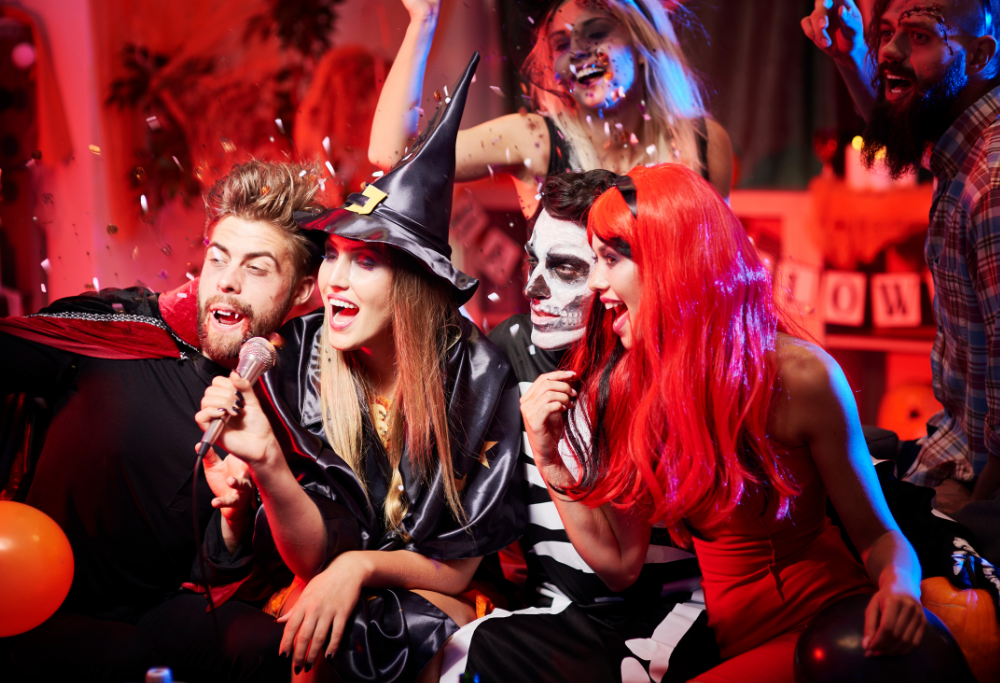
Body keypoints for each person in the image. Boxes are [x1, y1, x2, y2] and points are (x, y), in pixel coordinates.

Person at [521, 164, 927, 682]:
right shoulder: (634, 382)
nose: (597, 282)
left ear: (670, 262)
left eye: (611, 258)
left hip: (827, 629)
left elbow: (877, 537)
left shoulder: (799, 375)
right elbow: (620, 563)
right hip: (734, 648)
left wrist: (900, 589)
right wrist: (549, 455)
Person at [206, 53, 524, 683]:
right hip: (323, 580)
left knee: (385, 633)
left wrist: (359, 569)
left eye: (367, 261)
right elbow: (314, 553)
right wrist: (268, 468)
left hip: (441, 594)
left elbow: (458, 568)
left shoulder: (478, 374)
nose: (336, 280)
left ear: (413, 282)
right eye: (334, 255)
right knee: (309, 638)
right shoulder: (297, 360)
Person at [0, 161, 366, 682]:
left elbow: (217, 572)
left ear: (304, 288)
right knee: (124, 656)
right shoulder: (120, 328)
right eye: (218, 259)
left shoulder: (287, 404)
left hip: (156, 607)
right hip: (35, 599)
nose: (229, 282)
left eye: (257, 269)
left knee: (271, 647)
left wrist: (235, 520)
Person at [433, 170, 717, 683]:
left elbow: (621, 569)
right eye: (533, 260)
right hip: (551, 613)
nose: (535, 285)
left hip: (653, 623)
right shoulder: (507, 350)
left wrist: (550, 454)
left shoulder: (641, 367)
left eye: (565, 267)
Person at [802, 0, 1000, 525]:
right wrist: (847, 59)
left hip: (975, 482)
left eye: (917, 37)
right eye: (887, 33)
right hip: (949, 450)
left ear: (981, 55)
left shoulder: (994, 181)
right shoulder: (967, 141)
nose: (887, 51)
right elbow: (898, 132)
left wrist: (970, 529)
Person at [369, 0, 734, 219]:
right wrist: (424, 19)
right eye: (562, 43)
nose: (577, 51)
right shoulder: (537, 140)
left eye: (595, 33)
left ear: (641, 40)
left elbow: (719, 271)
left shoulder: (702, 143)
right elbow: (392, 154)